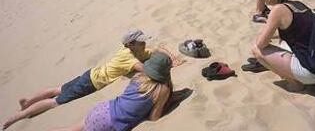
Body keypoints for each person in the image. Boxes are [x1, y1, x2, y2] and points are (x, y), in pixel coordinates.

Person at [2, 30, 182, 129]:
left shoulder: (138, 51)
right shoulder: (130, 57)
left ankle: (28, 102)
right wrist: (165, 67)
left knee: (57, 89)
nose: (144, 44)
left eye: (144, 41)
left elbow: (158, 49)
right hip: (92, 83)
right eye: (140, 42)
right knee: (56, 101)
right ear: (129, 44)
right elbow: (148, 72)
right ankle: (20, 115)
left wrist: (172, 57)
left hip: (91, 74)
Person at [51, 52, 173, 131]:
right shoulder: (163, 90)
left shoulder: (138, 77)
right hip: (112, 123)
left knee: (72, 129)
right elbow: (154, 117)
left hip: (104, 108)